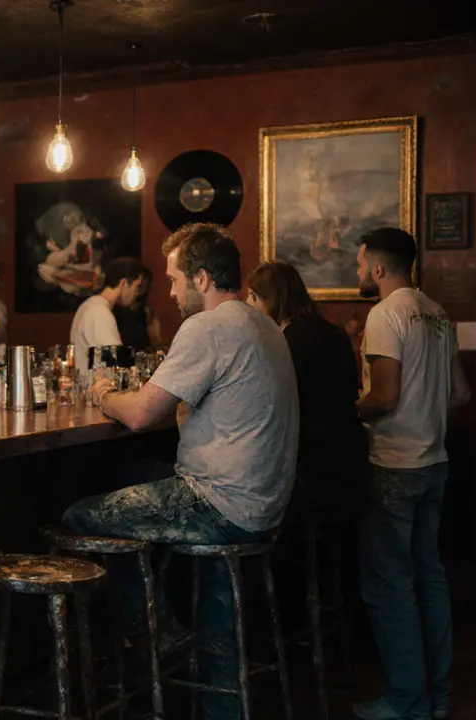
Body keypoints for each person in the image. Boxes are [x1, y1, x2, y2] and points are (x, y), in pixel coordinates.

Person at [63, 223, 299, 720]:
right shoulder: (265, 325)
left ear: (202, 278)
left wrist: (103, 393)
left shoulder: (209, 327)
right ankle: (218, 701)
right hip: (265, 503)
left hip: (219, 504)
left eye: (174, 280)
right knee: (131, 469)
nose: (169, 291)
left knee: (80, 516)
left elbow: (141, 414)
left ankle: (158, 634)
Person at [351, 228, 470, 720]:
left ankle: (406, 701)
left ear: (379, 268)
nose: (358, 273)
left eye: (360, 265)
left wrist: (346, 412)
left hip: (396, 465)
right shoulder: (437, 313)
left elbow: (384, 397)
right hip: (436, 463)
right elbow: (461, 394)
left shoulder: (385, 313)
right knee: (430, 581)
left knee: (391, 586)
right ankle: (436, 699)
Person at [246, 261, 368, 522]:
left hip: (312, 467)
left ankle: (276, 560)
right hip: (350, 457)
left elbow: (271, 404)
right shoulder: (333, 331)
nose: (248, 304)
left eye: (253, 297)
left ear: (271, 299)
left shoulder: (287, 341)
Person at [70, 256, 145, 375]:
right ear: (124, 284)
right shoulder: (100, 312)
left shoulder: (90, 305)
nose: (136, 293)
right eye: (137, 287)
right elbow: (115, 368)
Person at [114, 267, 162, 350]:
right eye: (138, 286)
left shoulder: (146, 311)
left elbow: (156, 340)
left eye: (144, 286)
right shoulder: (115, 311)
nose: (138, 291)